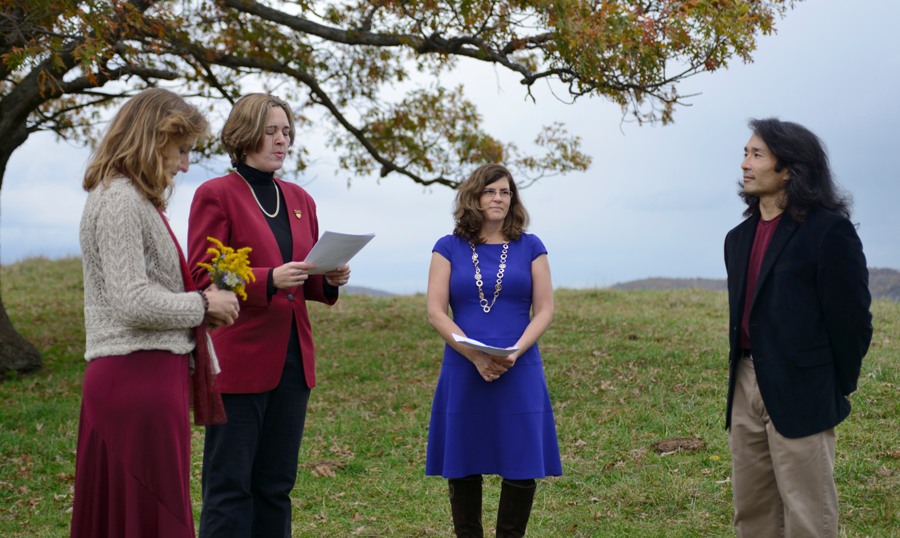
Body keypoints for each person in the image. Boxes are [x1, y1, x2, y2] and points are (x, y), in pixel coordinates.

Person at [71, 88, 240, 538]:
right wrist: (204, 304)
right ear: (153, 138)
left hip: (146, 377)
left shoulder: (131, 200)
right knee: (149, 515)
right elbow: (132, 300)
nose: (185, 165)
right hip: (135, 378)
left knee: (141, 515)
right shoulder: (119, 199)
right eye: (182, 150)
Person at [188, 93, 351, 537]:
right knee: (229, 485)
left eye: (287, 132)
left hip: (293, 363)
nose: (282, 140)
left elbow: (307, 278)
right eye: (271, 131)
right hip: (239, 361)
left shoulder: (300, 198)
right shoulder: (215, 194)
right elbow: (203, 275)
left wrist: (330, 279)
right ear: (244, 135)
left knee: (276, 486)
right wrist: (266, 280)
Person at [724, 118, 873, 537]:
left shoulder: (829, 232)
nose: (745, 164)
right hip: (745, 384)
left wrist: (833, 383)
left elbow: (853, 320)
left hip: (804, 385)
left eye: (756, 155)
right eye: (745, 153)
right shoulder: (737, 238)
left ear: (788, 168)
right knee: (751, 514)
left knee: (809, 516)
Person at [425, 163, 562, 537]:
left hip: (519, 367)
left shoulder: (531, 246)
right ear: (474, 196)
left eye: (505, 192)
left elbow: (545, 309)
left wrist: (514, 352)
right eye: (490, 191)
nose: (498, 198)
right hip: (462, 368)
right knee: (464, 459)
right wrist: (475, 355)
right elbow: (436, 311)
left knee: (521, 460)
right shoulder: (447, 247)